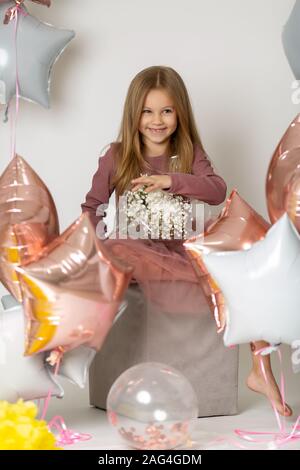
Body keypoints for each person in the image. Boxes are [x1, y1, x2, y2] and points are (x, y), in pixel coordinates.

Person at [81, 65, 292, 417]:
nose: (156, 120)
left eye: (166, 110)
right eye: (147, 111)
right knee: (117, 247)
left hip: (180, 250)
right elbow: (93, 206)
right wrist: (89, 251)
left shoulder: (189, 153)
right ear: (134, 114)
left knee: (243, 261)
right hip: (137, 248)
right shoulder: (117, 155)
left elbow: (217, 190)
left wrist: (171, 181)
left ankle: (261, 367)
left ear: (180, 113)